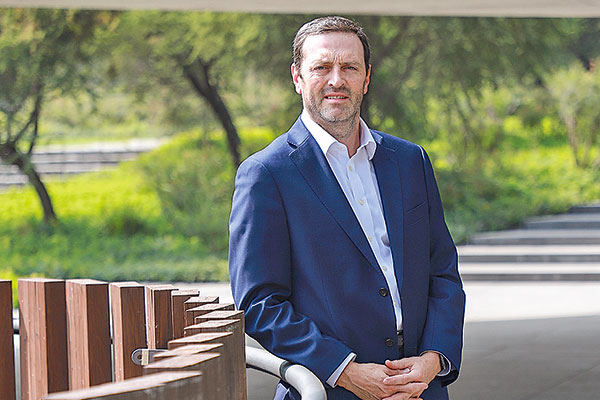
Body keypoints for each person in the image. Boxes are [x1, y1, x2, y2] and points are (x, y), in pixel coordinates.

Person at [228, 16, 465, 400]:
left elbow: (443, 273)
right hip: (330, 390)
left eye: (349, 67)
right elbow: (259, 304)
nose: (336, 79)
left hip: (421, 388)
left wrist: (434, 359)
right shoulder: (266, 174)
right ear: (297, 77)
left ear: (366, 78)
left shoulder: (410, 161)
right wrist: (345, 371)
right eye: (321, 67)